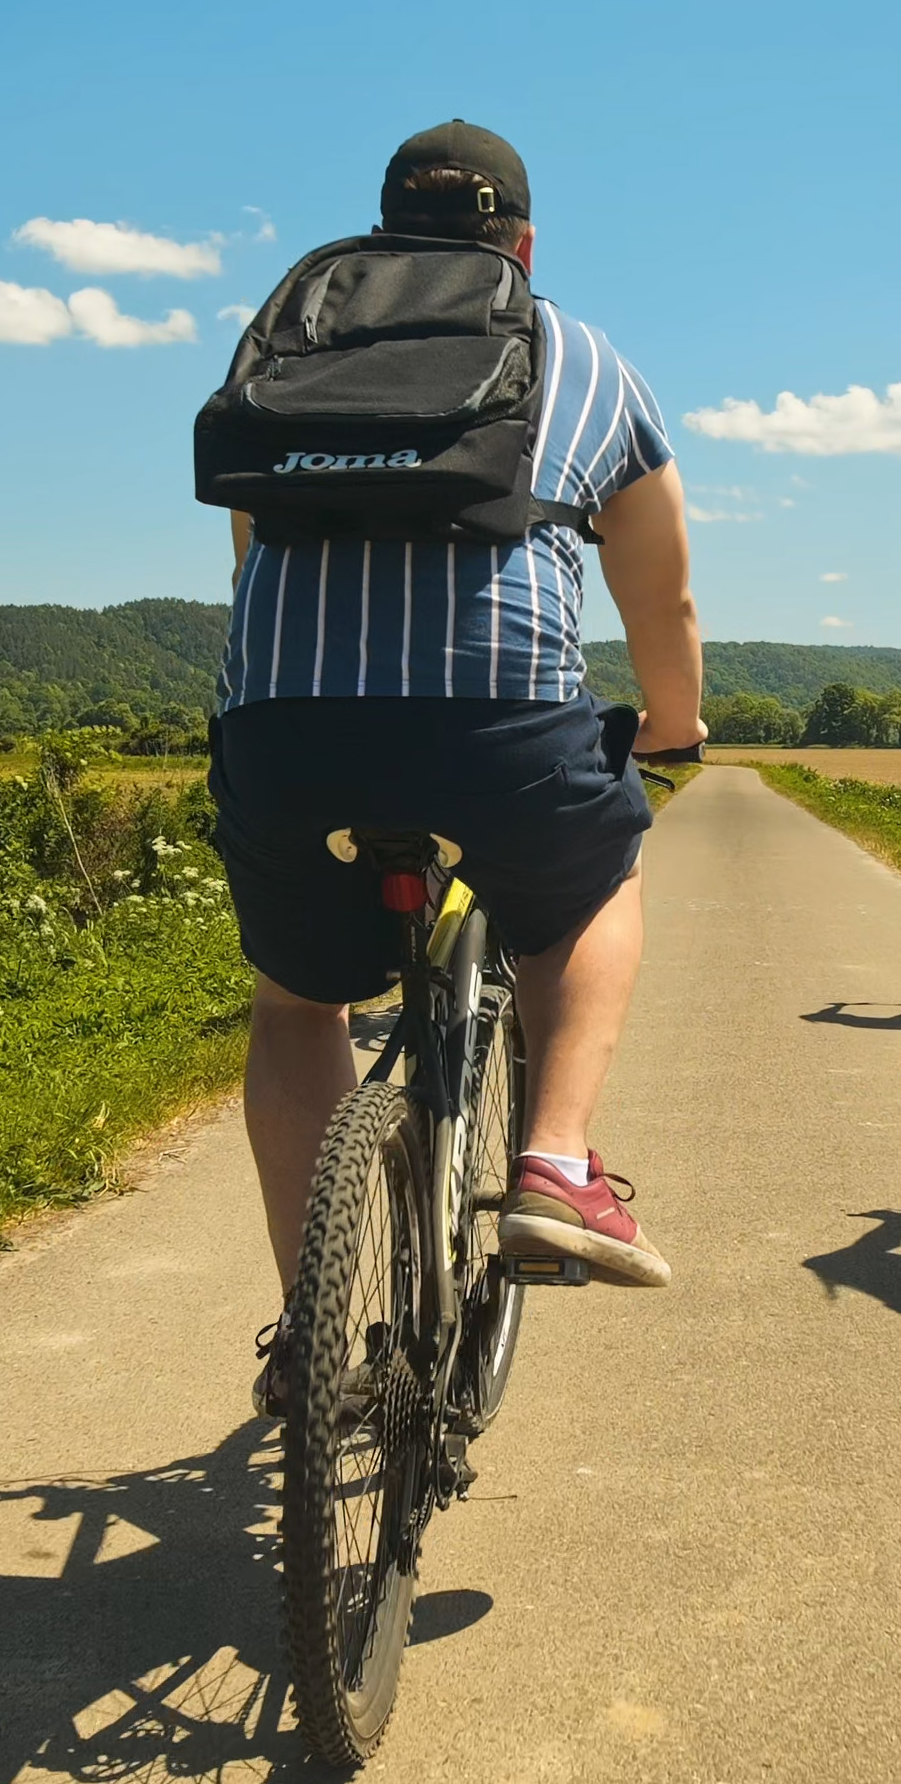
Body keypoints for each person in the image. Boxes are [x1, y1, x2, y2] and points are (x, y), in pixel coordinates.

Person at [210, 122, 704, 1411]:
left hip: (283, 724)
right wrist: (673, 725)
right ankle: (556, 1163)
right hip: (501, 725)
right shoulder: (581, 355)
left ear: (382, 227)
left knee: (296, 1004)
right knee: (598, 874)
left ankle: (310, 1329)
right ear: (521, 245)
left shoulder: (296, 338)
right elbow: (660, 595)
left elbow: (251, 542)